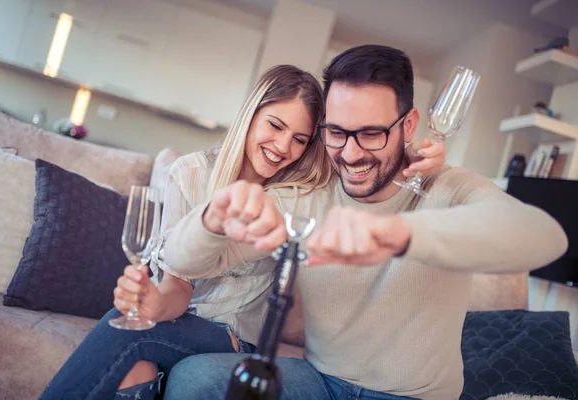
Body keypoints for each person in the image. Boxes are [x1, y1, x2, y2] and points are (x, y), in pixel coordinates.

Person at [159, 45, 568, 400]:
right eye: (337, 132)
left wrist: (397, 234)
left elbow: (545, 236)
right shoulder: (306, 198)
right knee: (197, 381)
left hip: (413, 397)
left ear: (408, 125)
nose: (351, 154)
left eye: (371, 133)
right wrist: (213, 218)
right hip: (319, 383)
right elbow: (186, 260)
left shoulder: (449, 187)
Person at [39, 64, 445, 400]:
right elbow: (177, 286)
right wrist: (151, 306)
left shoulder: (300, 192)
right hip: (183, 323)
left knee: (121, 332)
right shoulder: (191, 174)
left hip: (238, 340)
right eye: (275, 125)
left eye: (300, 139)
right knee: (135, 370)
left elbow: (363, 173)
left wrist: (408, 156)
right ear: (251, 113)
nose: (283, 146)